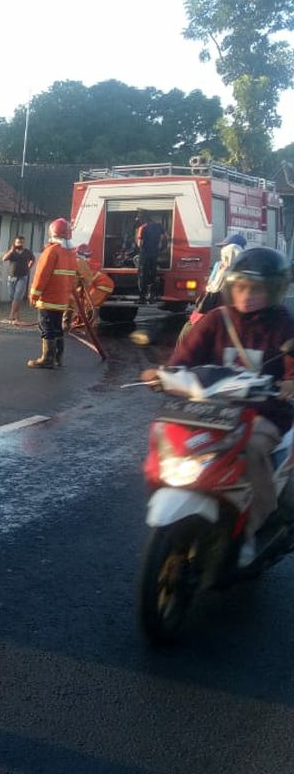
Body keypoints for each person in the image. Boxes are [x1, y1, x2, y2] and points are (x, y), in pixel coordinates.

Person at [142, 247, 294, 566]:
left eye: (256, 289)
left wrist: (289, 383)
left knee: (252, 448)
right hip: (211, 410)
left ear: (273, 290)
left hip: (265, 412)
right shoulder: (215, 319)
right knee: (168, 434)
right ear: (230, 285)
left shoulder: (284, 325)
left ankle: (254, 526)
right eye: (240, 286)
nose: (247, 295)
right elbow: (183, 360)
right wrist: (162, 375)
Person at [27, 218, 78, 369]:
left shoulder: (51, 251)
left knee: (46, 327)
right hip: (62, 299)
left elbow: (41, 275)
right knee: (57, 328)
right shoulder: (70, 254)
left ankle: (47, 359)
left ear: (52, 233)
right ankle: (58, 358)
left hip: (48, 298)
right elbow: (72, 278)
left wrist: (33, 295)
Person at [1, 235, 35, 324]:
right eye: (18, 242)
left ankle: (11, 315)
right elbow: (4, 259)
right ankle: (17, 315)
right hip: (12, 276)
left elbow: (32, 259)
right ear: (15, 243)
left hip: (22, 276)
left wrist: (29, 267)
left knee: (17, 295)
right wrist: (11, 251)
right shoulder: (12, 252)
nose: (20, 244)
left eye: (21, 242)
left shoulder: (27, 252)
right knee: (12, 296)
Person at [135, 212, 167, 303]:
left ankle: (142, 298)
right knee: (153, 274)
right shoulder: (159, 226)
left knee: (143, 276)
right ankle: (152, 297)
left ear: (142, 220)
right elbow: (164, 237)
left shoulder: (142, 228)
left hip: (145, 254)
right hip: (154, 254)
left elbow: (139, 244)